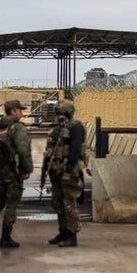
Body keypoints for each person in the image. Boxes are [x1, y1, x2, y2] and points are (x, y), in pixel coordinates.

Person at [0, 100, 33, 248]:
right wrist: (26, 169)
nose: (21, 113)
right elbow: (23, 151)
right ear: (14, 111)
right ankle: (5, 238)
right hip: (14, 174)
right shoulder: (18, 128)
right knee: (11, 205)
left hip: (1, 175)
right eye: (20, 110)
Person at [43, 99, 85, 247]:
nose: (58, 117)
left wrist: (68, 171)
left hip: (69, 171)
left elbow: (75, 151)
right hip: (56, 171)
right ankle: (63, 232)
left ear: (68, 113)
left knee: (69, 204)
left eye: (61, 113)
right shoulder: (57, 129)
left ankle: (71, 235)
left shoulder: (76, 127)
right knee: (58, 203)